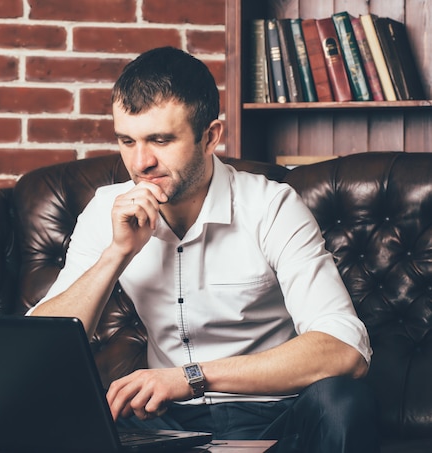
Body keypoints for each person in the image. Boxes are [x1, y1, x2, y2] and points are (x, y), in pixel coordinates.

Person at [28, 46, 379, 452]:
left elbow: (345, 348)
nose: (141, 162)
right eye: (127, 140)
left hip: (275, 417)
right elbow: (39, 352)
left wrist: (189, 377)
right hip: (164, 425)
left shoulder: (271, 206)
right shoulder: (106, 210)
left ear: (210, 136)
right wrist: (117, 253)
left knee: (344, 403)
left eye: (161, 140)